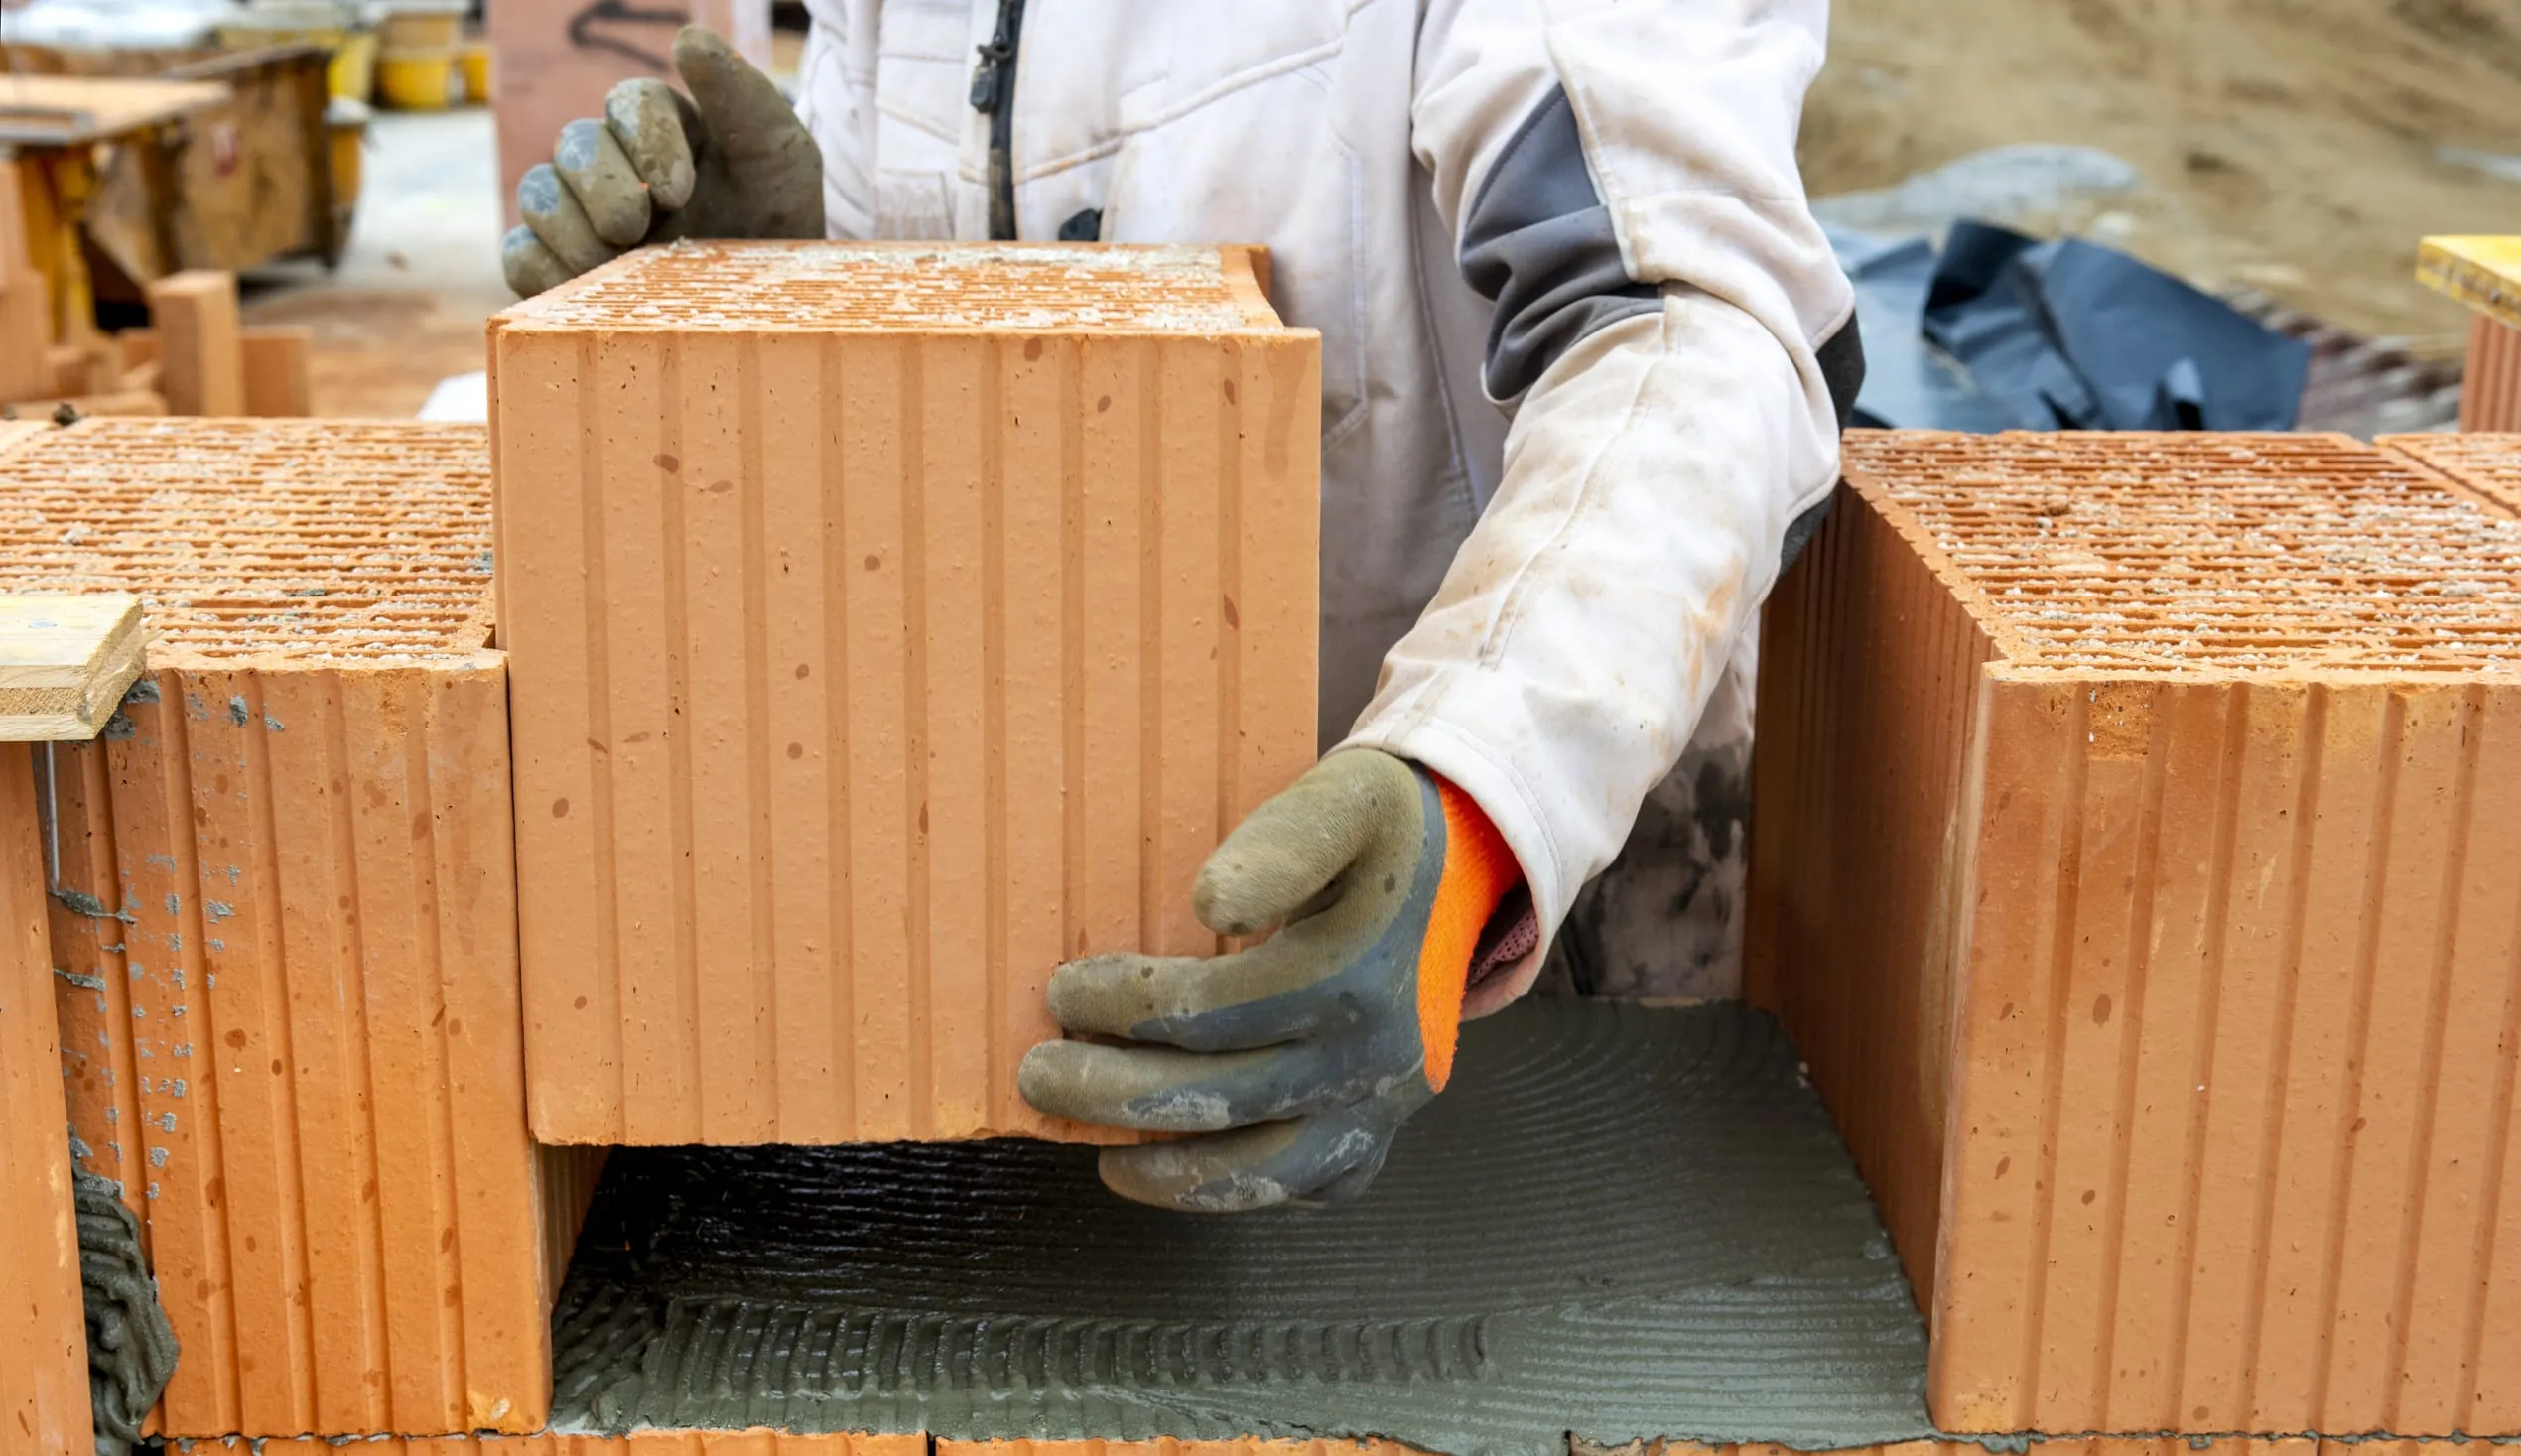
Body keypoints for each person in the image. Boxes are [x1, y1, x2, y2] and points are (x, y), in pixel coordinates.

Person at [503, 3, 1862, 1212]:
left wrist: (1475, 799)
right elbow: (976, 406)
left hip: (1493, 949)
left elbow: (1695, 338)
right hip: (1052, 986)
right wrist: (777, 304)